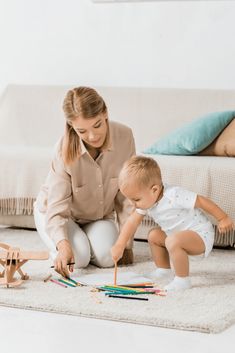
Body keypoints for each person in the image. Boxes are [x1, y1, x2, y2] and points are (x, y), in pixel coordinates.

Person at [34, 86, 136, 278]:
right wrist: (63, 246)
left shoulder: (125, 136)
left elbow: (126, 197)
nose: (92, 136)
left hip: (98, 217)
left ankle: (85, 244)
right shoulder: (62, 150)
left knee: (108, 259)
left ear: (105, 113)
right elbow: (56, 208)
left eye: (97, 125)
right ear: (72, 126)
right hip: (59, 214)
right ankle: (61, 246)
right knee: (78, 259)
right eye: (82, 131)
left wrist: (126, 243)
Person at [111, 155, 234, 291]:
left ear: (155, 190)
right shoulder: (147, 202)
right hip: (176, 236)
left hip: (200, 236)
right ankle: (163, 271)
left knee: (172, 241)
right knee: (153, 235)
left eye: (136, 199)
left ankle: (182, 280)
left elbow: (201, 201)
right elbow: (132, 222)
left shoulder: (174, 195)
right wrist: (119, 245)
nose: (132, 204)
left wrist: (222, 218)